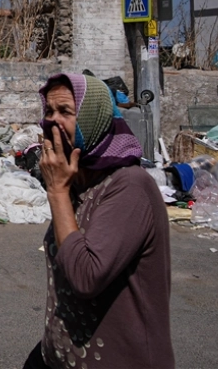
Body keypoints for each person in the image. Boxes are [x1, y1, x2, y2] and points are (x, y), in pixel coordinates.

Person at [23, 73, 174, 369]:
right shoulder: (78, 185)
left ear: (93, 118)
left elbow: (86, 276)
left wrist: (56, 191)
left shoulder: (130, 187)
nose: (52, 122)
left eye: (65, 112)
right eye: (49, 111)